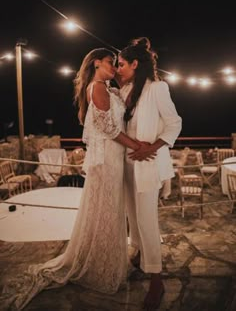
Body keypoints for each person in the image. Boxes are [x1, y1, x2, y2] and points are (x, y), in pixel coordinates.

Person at [0, 48, 149, 310]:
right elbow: (109, 129)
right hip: (106, 160)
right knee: (106, 211)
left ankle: (107, 261)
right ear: (96, 63)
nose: (114, 67)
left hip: (113, 158)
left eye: (116, 64)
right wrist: (137, 145)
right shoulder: (98, 88)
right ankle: (100, 267)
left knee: (111, 211)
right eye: (110, 63)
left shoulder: (106, 88)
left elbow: (123, 107)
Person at [116, 37, 182, 310]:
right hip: (126, 164)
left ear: (134, 63)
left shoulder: (158, 88)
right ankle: (141, 254)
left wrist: (151, 147)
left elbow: (174, 123)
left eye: (121, 64)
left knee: (146, 219)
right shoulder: (124, 90)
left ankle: (156, 277)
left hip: (148, 163)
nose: (118, 68)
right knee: (133, 216)